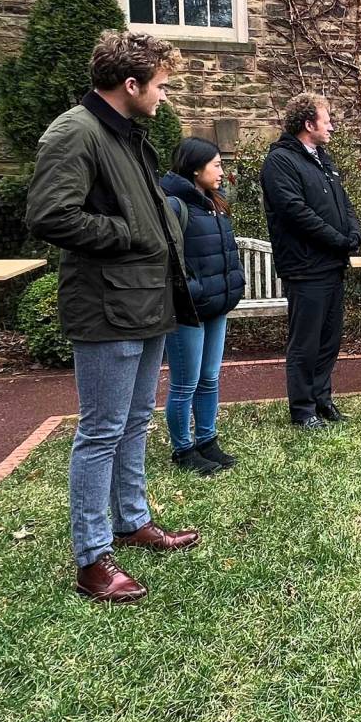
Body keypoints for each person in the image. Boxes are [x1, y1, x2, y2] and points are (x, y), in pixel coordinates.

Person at [27, 30, 201, 605]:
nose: (164, 96)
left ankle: (132, 521)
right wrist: (130, 233)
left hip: (146, 302)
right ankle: (92, 559)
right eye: (161, 86)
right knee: (101, 430)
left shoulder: (126, 135)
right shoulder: (75, 131)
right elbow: (50, 215)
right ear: (131, 84)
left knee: (134, 421)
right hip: (108, 307)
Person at [261, 92, 361, 429]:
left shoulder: (323, 160)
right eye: (326, 120)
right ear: (308, 124)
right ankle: (303, 409)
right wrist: (338, 240)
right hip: (305, 268)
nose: (331, 126)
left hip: (332, 266)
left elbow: (343, 203)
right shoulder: (280, 162)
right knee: (305, 342)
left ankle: (322, 399)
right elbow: (295, 212)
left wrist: (353, 233)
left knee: (329, 339)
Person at [160, 137, 245, 475]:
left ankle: (207, 441)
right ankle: (183, 450)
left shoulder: (213, 203)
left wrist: (231, 284)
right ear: (196, 168)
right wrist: (194, 290)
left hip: (215, 306)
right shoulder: (174, 206)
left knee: (209, 377)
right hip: (188, 310)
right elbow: (167, 260)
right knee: (185, 383)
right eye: (217, 165)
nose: (222, 172)